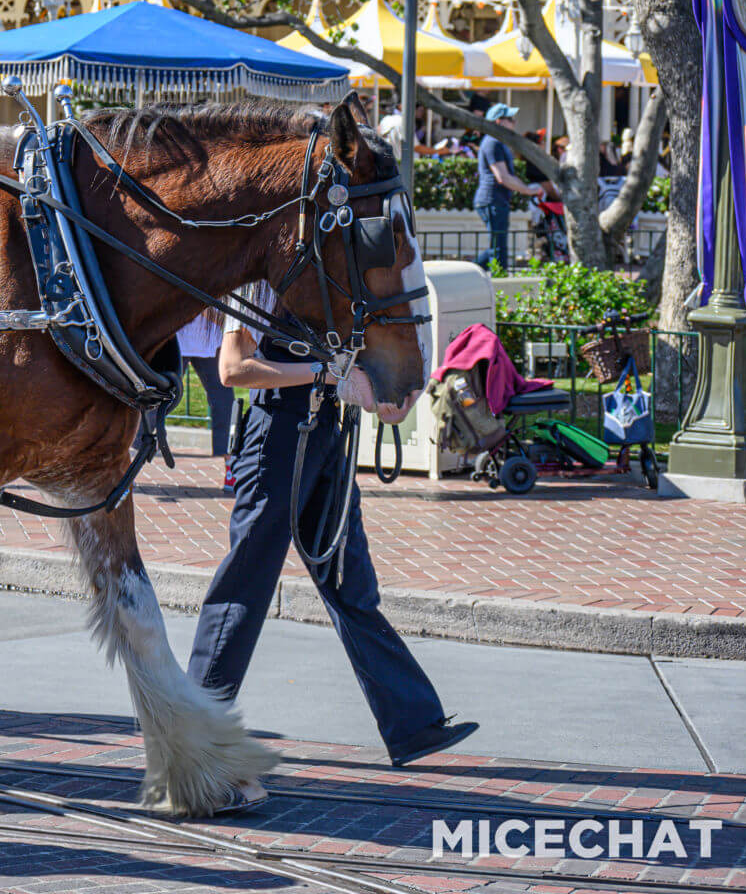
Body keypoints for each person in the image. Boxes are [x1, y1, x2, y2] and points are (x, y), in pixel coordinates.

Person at [187, 282, 478, 771]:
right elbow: (233, 368)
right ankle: (192, 734)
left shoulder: (330, 277)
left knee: (351, 583)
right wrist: (327, 375)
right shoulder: (260, 279)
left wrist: (380, 389)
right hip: (275, 438)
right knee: (247, 583)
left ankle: (411, 724)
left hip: (325, 435)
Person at [472, 103, 544, 274]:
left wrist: (526, 188)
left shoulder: (497, 143)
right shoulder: (493, 143)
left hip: (496, 200)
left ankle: (468, 271)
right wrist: (529, 190)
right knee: (498, 248)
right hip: (492, 200)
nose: (514, 123)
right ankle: (500, 284)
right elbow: (502, 177)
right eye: (511, 119)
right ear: (499, 122)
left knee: (497, 246)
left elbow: (508, 176)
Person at [176, 309, 236, 477]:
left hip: (210, 338)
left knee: (223, 400)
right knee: (156, 398)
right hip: (175, 335)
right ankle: (134, 459)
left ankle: (230, 464)